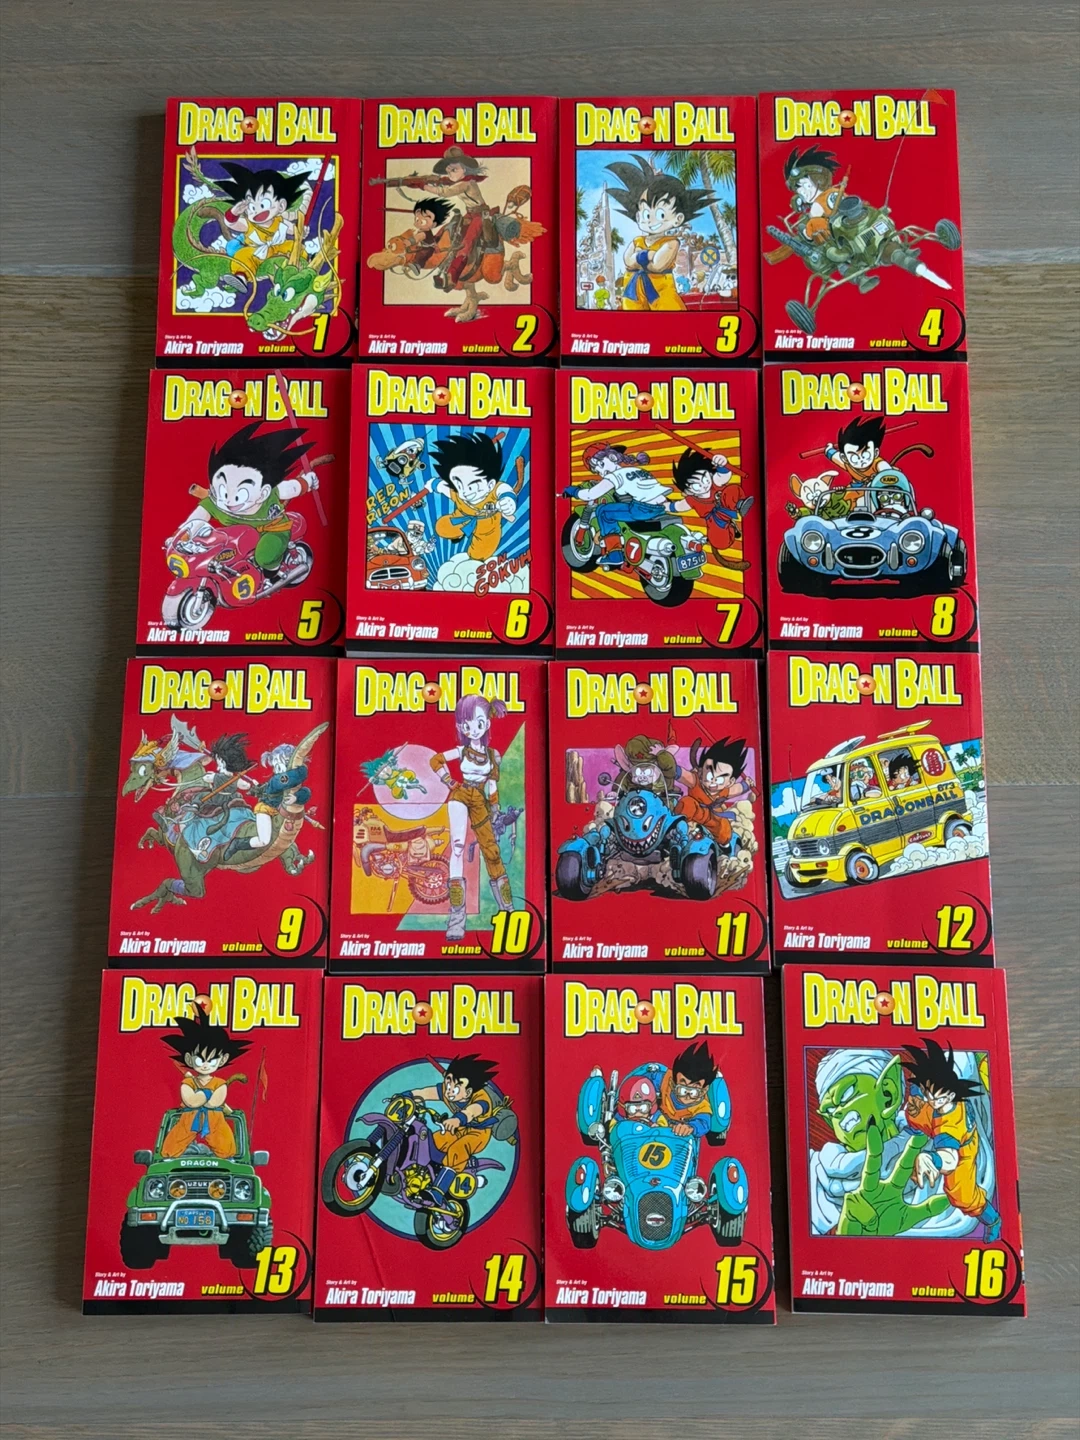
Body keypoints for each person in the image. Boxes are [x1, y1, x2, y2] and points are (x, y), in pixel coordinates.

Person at [169, 421, 317, 582]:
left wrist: (308, 481)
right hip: (239, 537)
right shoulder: (216, 502)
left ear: (264, 492)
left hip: (272, 531)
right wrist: (181, 535)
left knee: (265, 556)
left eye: (240, 493)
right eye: (223, 489)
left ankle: (272, 569)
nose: (229, 499)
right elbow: (196, 519)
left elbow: (292, 488)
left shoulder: (272, 493)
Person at [431, 695, 514, 940]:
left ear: (487, 724)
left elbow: (492, 786)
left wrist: (495, 809)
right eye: (466, 724)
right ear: (461, 726)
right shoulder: (461, 751)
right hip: (460, 794)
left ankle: (508, 911)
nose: (472, 729)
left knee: (492, 851)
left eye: (478, 723)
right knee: (457, 847)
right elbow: (435, 760)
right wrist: (449, 781)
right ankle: (456, 920)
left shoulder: (493, 755)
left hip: (480, 800)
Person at [903, 1040, 1002, 1240]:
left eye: (939, 1098)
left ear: (950, 1095)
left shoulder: (950, 1125)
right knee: (914, 1112)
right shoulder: (929, 1092)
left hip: (962, 1148)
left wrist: (931, 1159)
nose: (933, 1101)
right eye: (930, 1095)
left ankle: (993, 1220)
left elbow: (950, 1159)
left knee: (962, 1196)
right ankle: (918, 1129)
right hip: (931, 1123)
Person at [605, 155, 713, 312]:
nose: (651, 220)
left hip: (661, 294)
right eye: (646, 214)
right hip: (633, 293)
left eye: (661, 214)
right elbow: (628, 262)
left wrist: (639, 256)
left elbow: (657, 265)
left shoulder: (671, 242)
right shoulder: (637, 241)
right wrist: (649, 255)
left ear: (678, 219)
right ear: (638, 216)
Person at [159, 1007, 252, 1159]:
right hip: (188, 1119)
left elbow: (215, 1102)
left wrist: (205, 1097)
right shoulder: (188, 1082)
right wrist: (204, 1095)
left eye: (212, 1060)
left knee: (227, 1150)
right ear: (189, 1059)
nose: (205, 1065)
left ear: (222, 1060)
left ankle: (228, 1157)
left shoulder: (219, 1083)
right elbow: (191, 1100)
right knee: (170, 1150)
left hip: (215, 1120)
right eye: (199, 1060)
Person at [409, 1055, 501, 1205]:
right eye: (448, 1082)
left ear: (468, 1092)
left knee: (458, 1149)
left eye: (456, 1087)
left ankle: (438, 1192)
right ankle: (430, 1172)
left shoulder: (482, 1099)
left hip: (478, 1133)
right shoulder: (447, 1090)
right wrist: (407, 1096)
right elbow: (425, 1092)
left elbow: (472, 1111)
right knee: (436, 1139)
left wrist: (458, 1119)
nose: (449, 1090)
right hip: (458, 1128)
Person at [671, 447, 753, 572]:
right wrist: (665, 505)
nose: (704, 484)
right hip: (715, 522)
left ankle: (740, 505)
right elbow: (678, 506)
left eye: (705, 478)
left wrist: (722, 463)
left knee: (731, 490)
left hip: (727, 509)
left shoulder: (715, 483)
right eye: (696, 484)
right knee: (720, 542)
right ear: (687, 491)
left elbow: (724, 475)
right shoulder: (691, 500)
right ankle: (730, 529)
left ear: (710, 474)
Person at [676, 736, 750, 848]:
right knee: (687, 803)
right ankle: (680, 830)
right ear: (701, 772)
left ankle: (723, 847)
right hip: (695, 812)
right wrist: (670, 768)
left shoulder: (725, 790)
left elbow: (737, 789)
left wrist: (746, 785)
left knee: (724, 829)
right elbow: (683, 774)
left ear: (730, 782)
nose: (713, 781)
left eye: (720, 779)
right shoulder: (696, 781)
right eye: (710, 775)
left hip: (713, 816)